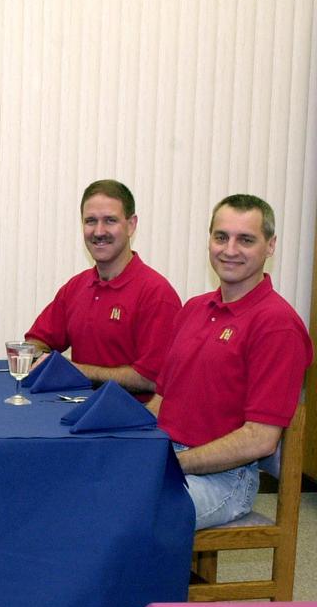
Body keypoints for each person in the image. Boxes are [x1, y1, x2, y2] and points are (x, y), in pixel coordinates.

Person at [149, 194, 311, 530]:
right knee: (86, 489)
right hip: (169, 456)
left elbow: (259, 439)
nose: (230, 250)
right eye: (221, 237)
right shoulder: (193, 309)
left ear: (271, 246)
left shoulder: (278, 325)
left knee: (122, 515)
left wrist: (175, 464)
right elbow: (160, 403)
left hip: (226, 481)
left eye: (246, 240)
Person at [25, 180, 180, 395]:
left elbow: (151, 379)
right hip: (70, 411)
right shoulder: (76, 287)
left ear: (131, 225)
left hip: (126, 420)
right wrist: (38, 357)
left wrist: (75, 370)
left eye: (110, 221)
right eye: (90, 221)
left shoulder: (156, 294)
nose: (99, 231)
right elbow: (37, 340)